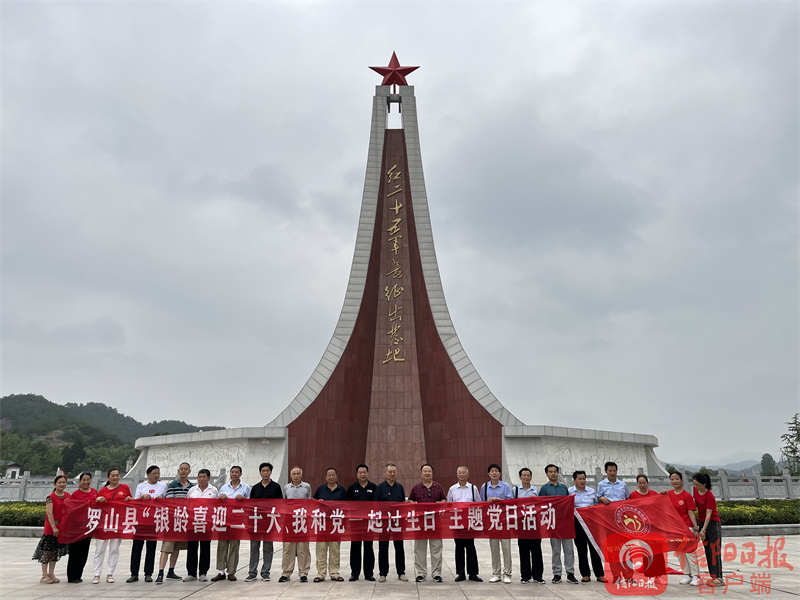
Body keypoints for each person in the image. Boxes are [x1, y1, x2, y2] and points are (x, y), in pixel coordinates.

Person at [539, 464, 578, 584]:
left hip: (565, 523)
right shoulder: (544, 489)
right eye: (550, 472)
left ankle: (570, 573)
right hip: (553, 523)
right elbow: (541, 505)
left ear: (558, 473)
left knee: (569, 549)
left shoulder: (564, 488)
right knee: (556, 550)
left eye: (555, 471)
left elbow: (568, 504)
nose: (553, 474)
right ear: (547, 474)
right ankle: (557, 574)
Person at [156, 462, 194, 584]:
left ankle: (171, 571)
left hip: (183, 522)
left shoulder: (192, 487)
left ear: (189, 471)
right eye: (181, 469)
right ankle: (160, 572)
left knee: (177, 548)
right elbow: (170, 502)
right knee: (166, 548)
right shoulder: (172, 485)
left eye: (185, 469)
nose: (183, 471)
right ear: (178, 471)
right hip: (172, 522)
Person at [408, 463, 446, 583]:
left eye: (429, 471)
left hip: (435, 523)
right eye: (425, 471)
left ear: (432, 473)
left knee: (436, 549)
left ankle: (436, 574)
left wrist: (442, 503)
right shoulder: (416, 488)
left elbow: (444, 500)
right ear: (421, 473)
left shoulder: (438, 487)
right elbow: (410, 501)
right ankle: (420, 573)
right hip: (420, 524)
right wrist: (412, 504)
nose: (427, 473)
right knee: (419, 550)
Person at [212, 465, 251, 582]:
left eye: (236, 472)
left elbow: (252, 502)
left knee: (234, 546)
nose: (234, 474)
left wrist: (244, 498)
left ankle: (231, 572)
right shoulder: (224, 487)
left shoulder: (246, 487)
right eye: (232, 472)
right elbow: (216, 503)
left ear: (240, 474)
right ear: (230, 474)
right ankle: (221, 571)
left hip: (237, 521)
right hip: (224, 519)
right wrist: (221, 498)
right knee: (222, 545)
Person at [128, 465, 166, 583]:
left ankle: (148, 573)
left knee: (151, 548)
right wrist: (142, 497)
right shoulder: (141, 486)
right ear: (148, 474)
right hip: (141, 521)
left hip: (153, 521)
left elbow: (164, 500)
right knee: (137, 548)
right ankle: (134, 573)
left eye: (158, 473)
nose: (156, 475)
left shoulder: (163, 486)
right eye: (154, 473)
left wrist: (153, 498)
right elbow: (135, 501)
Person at [93, 467, 132, 584]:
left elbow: (130, 502)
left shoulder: (125, 488)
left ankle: (110, 573)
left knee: (114, 549)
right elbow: (95, 505)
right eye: (113, 475)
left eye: (117, 475)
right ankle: (97, 574)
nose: (115, 477)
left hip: (117, 523)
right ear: (108, 477)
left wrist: (129, 499)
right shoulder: (103, 490)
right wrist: (98, 499)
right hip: (104, 523)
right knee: (100, 549)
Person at [246, 461, 283, 582]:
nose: (265, 473)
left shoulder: (276, 487)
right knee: (254, 548)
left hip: (269, 523)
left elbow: (280, 505)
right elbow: (251, 506)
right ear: (260, 472)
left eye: (267, 471)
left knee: (268, 548)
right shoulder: (255, 488)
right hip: (256, 523)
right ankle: (252, 573)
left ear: (270, 472)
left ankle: (265, 572)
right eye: (263, 471)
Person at [662, 471, 700, 586]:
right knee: (679, 553)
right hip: (675, 528)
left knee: (690, 552)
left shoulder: (686, 496)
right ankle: (686, 575)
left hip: (686, 527)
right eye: (672, 479)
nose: (674, 481)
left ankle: (696, 576)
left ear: (682, 480)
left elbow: (690, 512)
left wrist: (695, 526)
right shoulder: (668, 494)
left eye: (677, 479)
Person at [446, 465, 482, 582]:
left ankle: (473, 574)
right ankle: (460, 573)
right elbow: (448, 505)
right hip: (457, 523)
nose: (461, 475)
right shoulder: (452, 489)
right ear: (457, 475)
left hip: (470, 523)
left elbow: (478, 504)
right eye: (459, 473)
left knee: (471, 547)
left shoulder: (473, 488)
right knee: (459, 548)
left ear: (468, 474)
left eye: (463, 473)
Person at [33, 474, 70, 583]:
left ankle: (51, 574)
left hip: (61, 528)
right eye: (59, 482)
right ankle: (44, 576)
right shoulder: (50, 498)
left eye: (64, 482)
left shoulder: (68, 496)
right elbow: (49, 514)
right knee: (47, 552)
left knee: (54, 552)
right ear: (55, 484)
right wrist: (54, 527)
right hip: (51, 528)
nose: (62, 484)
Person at [569, 470, 605, 583]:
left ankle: (599, 574)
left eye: (584, 478)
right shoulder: (569, 492)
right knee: (581, 549)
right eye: (580, 479)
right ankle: (585, 574)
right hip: (577, 523)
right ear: (574, 480)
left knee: (594, 548)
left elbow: (597, 506)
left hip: (591, 524)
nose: (582, 481)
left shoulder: (592, 491)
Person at [480, 463, 513, 583]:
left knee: (506, 548)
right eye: (492, 471)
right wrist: (488, 501)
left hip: (504, 521)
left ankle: (507, 573)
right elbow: (481, 503)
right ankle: (496, 573)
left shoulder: (506, 486)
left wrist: (501, 501)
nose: (494, 473)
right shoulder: (484, 486)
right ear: (488, 474)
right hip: (492, 521)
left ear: (500, 473)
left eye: (496, 471)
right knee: (494, 549)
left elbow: (511, 501)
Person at [313, 467, 347, 582]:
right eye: (329, 475)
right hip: (322, 524)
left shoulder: (342, 490)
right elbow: (313, 505)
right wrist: (319, 503)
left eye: (333, 475)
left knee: (335, 549)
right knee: (321, 550)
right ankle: (321, 573)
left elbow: (346, 507)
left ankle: (334, 572)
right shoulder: (320, 489)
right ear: (326, 477)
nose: (331, 477)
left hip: (336, 525)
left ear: (336, 476)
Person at [279, 466, 312, 582]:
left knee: (303, 549)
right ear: (290, 475)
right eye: (294, 474)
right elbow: (283, 503)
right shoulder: (286, 487)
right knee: (288, 549)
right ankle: (286, 573)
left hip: (303, 522)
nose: (296, 475)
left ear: (301, 475)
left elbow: (310, 503)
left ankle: (303, 573)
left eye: (298, 473)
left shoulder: (307, 486)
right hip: (289, 523)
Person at [186, 468, 218, 582]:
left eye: (204, 477)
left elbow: (217, 506)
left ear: (208, 478)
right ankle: (191, 573)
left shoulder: (213, 490)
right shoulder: (192, 490)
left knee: (205, 547)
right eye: (199, 477)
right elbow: (187, 505)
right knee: (192, 548)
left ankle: (203, 572)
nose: (201, 479)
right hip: (193, 523)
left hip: (206, 523)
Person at [376, 463, 407, 582]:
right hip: (384, 522)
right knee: (383, 547)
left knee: (399, 547)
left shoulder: (400, 487)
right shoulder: (380, 488)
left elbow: (403, 504)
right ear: (385, 473)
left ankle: (401, 572)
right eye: (390, 472)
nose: (392, 474)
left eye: (394, 471)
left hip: (397, 522)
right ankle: (383, 573)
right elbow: (375, 505)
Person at [346, 463, 377, 581]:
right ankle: (355, 573)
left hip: (369, 523)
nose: (363, 474)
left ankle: (369, 573)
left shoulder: (374, 487)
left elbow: (377, 504)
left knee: (369, 547)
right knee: (355, 547)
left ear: (367, 474)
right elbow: (347, 505)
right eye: (360, 472)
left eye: (364, 472)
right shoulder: (352, 488)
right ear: (357, 474)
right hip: (355, 523)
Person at [66, 472, 98, 582]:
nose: (86, 482)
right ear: (80, 481)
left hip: (88, 528)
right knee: (75, 552)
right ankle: (71, 576)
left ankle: (78, 575)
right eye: (84, 480)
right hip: (76, 528)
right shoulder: (75, 494)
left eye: (88, 479)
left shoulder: (94, 492)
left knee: (84, 553)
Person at [514, 467, 544, 584]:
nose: (526, 477)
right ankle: (525, 576)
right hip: (522, 523)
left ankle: (538, 576)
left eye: (528, 475)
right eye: (524, 475)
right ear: (520, 477)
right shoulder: (515, 490)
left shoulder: (535, 490)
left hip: (534, 523)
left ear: (531, 477)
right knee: (523, 550)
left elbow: (541, 504)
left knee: (537, 550)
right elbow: (510, 504)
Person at [692, 473, 723, 586]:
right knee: (708, 551)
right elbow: (694, 505)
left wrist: (703, 530)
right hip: (701, 523)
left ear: (704, 484)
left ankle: (719, 578)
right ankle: (713, 576)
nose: (695, 486)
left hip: (712, 524)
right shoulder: (695, 491)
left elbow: (708, 514)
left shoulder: (709, 496)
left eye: (697, 484)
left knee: (715, 550)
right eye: (694, 484)